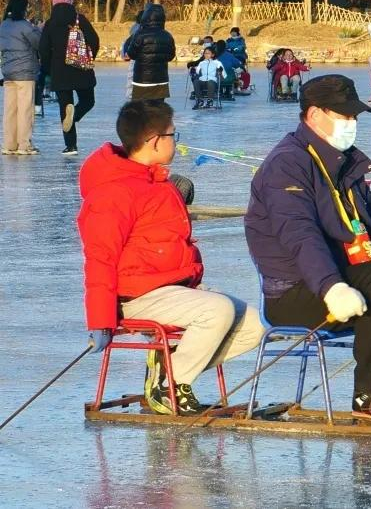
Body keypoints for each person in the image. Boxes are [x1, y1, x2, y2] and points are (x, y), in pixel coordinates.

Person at [244, 75, 371, 423]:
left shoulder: (344, 164)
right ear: (313, 116)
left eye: (354, 116)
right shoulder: (287, 165)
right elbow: (299, 235)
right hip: (298, 291)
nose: (351, 124)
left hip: (349, 274)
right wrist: (332, 286)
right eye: (343, 116)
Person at [78, 100, 263, 415]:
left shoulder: (155, 181)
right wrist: (100, 319)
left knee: (255, 325)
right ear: (153, 141)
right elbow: (100, 258)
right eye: (172, 136)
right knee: (217, 311)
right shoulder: (113, 193)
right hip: (136, 295)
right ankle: (170, 385)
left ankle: (170, 371)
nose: (176, 142)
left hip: (172, 287)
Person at [40, 0, 99, 155]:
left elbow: (43, 49)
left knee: (65, 107)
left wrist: (47, 68)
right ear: (70, 2)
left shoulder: (50, 23)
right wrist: (88, 56)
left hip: (60, 71)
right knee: (88, 101)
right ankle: (75, 115)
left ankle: (71, 146)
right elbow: (94, 41)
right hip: (81, 69)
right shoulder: (81, 19)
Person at [0, 0, 41, 154]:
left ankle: (9, 144)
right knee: (25, 110)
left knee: (10, 110)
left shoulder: (3, 25)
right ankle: (24, 144)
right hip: (25, 73)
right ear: (23, 8)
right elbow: (38, 42)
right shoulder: (25, 26)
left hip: (8, 73)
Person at [126, 4, 176, 102]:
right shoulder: (167, 35)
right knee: (158, 109)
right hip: (161, 80)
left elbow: (131, 54)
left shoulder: (139, 35)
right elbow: (171, 56)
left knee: (140, 109)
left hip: (142, 79)